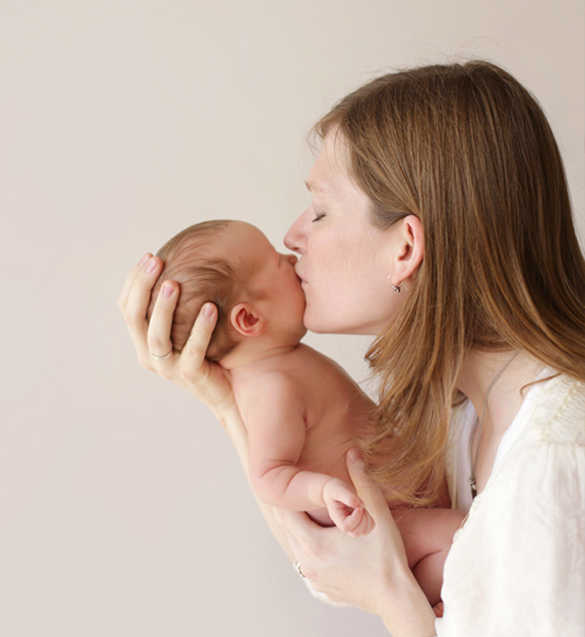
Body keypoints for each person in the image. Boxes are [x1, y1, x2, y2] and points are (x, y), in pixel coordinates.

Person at [118, 60, 585, 636]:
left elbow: (369, 571)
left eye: (320, 210)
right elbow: (327, 557)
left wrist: (396, 604)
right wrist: (224, 395)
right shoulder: (465, 417)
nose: (293, 236)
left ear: (405, 247)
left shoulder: (553, 465)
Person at [147, 218, 463, 607]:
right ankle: (436, 609)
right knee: (463, 539)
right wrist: (323, 490)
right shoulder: (270, 388)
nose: (290, 256)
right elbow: (268, 476)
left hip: (409, 502)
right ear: (249, 319)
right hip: (390, 527)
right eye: (278, 262)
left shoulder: (281, 360)